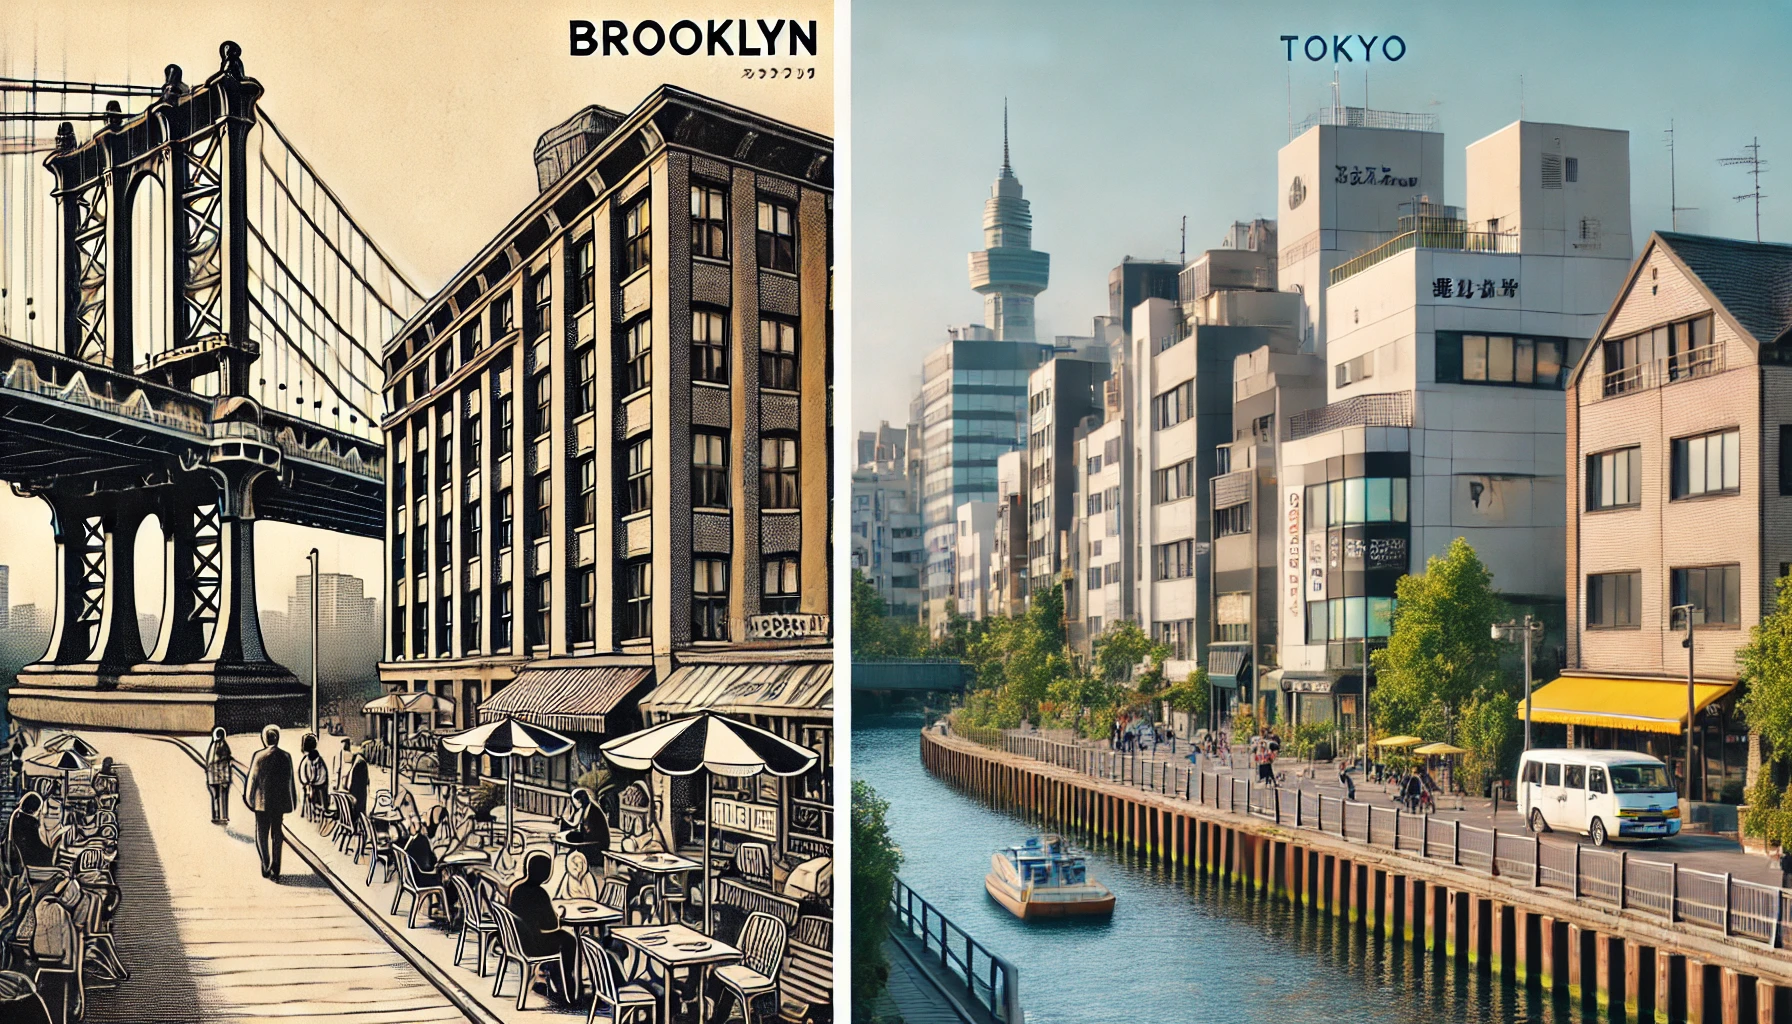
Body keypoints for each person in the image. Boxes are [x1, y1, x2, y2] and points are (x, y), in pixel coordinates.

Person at [507, 852, 578, 1003]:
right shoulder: (539, 893)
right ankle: (564, 983)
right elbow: (551, 925)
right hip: (533, 945)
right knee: (569, 941)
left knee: (561, 938)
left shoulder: (517, 888)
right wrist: (558, 916)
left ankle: (552, 977)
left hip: (517, 941)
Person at [244, 725, 298, 881]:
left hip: (261, 803)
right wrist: (292, 801)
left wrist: (249, 799)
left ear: (265, 739)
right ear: (278, 738)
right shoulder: (286, 756)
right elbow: (290, 781)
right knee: (277, 834)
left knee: (261, 834)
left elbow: (252, 780)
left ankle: (265, 863)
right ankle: (276, 867)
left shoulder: (259, 756)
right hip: (279, 803)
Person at [558, 787, 611, 861]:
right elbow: (576, 824)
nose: (574, 803)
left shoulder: (593, 810)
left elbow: (588, 830)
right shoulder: (586, 807)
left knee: (570, 837)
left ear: (580, 800)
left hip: (596, 842)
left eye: (575, 801)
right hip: (591, 838)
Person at [7, 792, 52, 870]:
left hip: (20, 860)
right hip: (30, 863)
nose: (40, 812)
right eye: (39, 809)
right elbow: (37, 847)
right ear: (33, 810)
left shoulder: (17, 818)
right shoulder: (29, 823)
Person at [204, 727, 234, 825]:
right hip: (222, 778)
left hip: (212, 779)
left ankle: (216, 816)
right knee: (223, 797)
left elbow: (209, 764)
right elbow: (225, 765)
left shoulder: (212, 747)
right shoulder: (224, 746)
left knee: (215, 797)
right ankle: (224, 816)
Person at [297, 733, 329, 822]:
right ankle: (319, 811)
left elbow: (305, 774)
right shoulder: (318, 758)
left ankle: (312, 812)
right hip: (320, 783)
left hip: (315, 784)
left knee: (311, 796)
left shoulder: (307, 759)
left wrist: (308, 782)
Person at [346, 747, 370, 821]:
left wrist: (352, 792)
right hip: (360, 791)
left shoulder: (359, 764)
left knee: (358, 809)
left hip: (358, 792)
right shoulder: (360, 763)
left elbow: (356, 781)